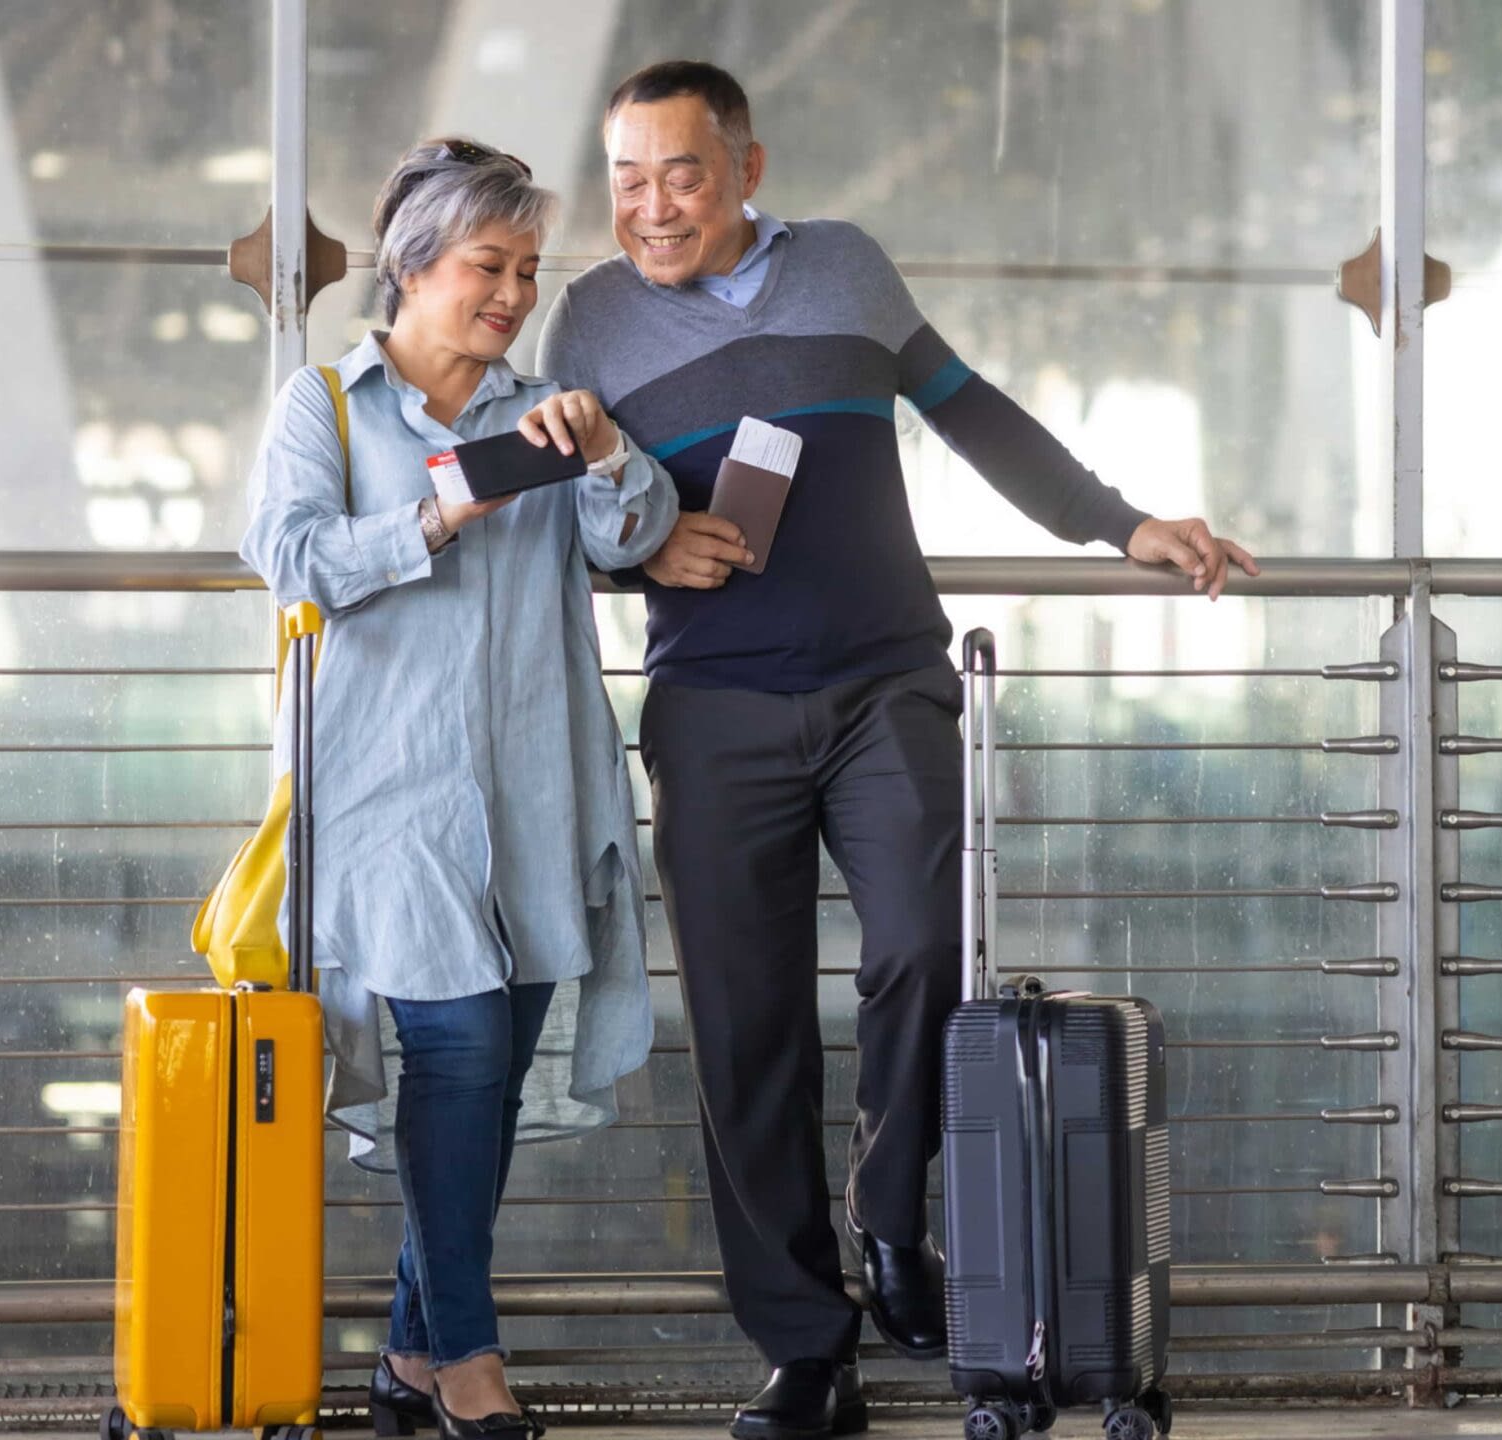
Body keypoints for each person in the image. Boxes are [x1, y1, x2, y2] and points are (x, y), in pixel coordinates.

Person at [536, 61, 1258, 1440]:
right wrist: (641, 556)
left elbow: (973, 411)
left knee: (927, 943)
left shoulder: (848, 270)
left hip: (885, 684)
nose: (650, 206)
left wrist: (1125, 525)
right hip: (714, 706)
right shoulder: (589, 322)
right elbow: (558, 512)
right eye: (627, 178)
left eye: (680, 172)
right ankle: (808, 1354)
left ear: (747, 169)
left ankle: (891, 1220)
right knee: (747, 1034)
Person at [241, 137, 673, 1440]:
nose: (512, 294)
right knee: (460, 1055)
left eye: (529, 271)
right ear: (414, 268)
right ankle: (471, 1362)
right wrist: (439, 514)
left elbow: (636, 535)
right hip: (390, 799)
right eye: (490, 266)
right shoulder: (322, 406)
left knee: (481, 1090)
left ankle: (411, 1359)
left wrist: (601, 452)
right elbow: (293, 559)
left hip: (538, 794)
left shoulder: (541, 412)